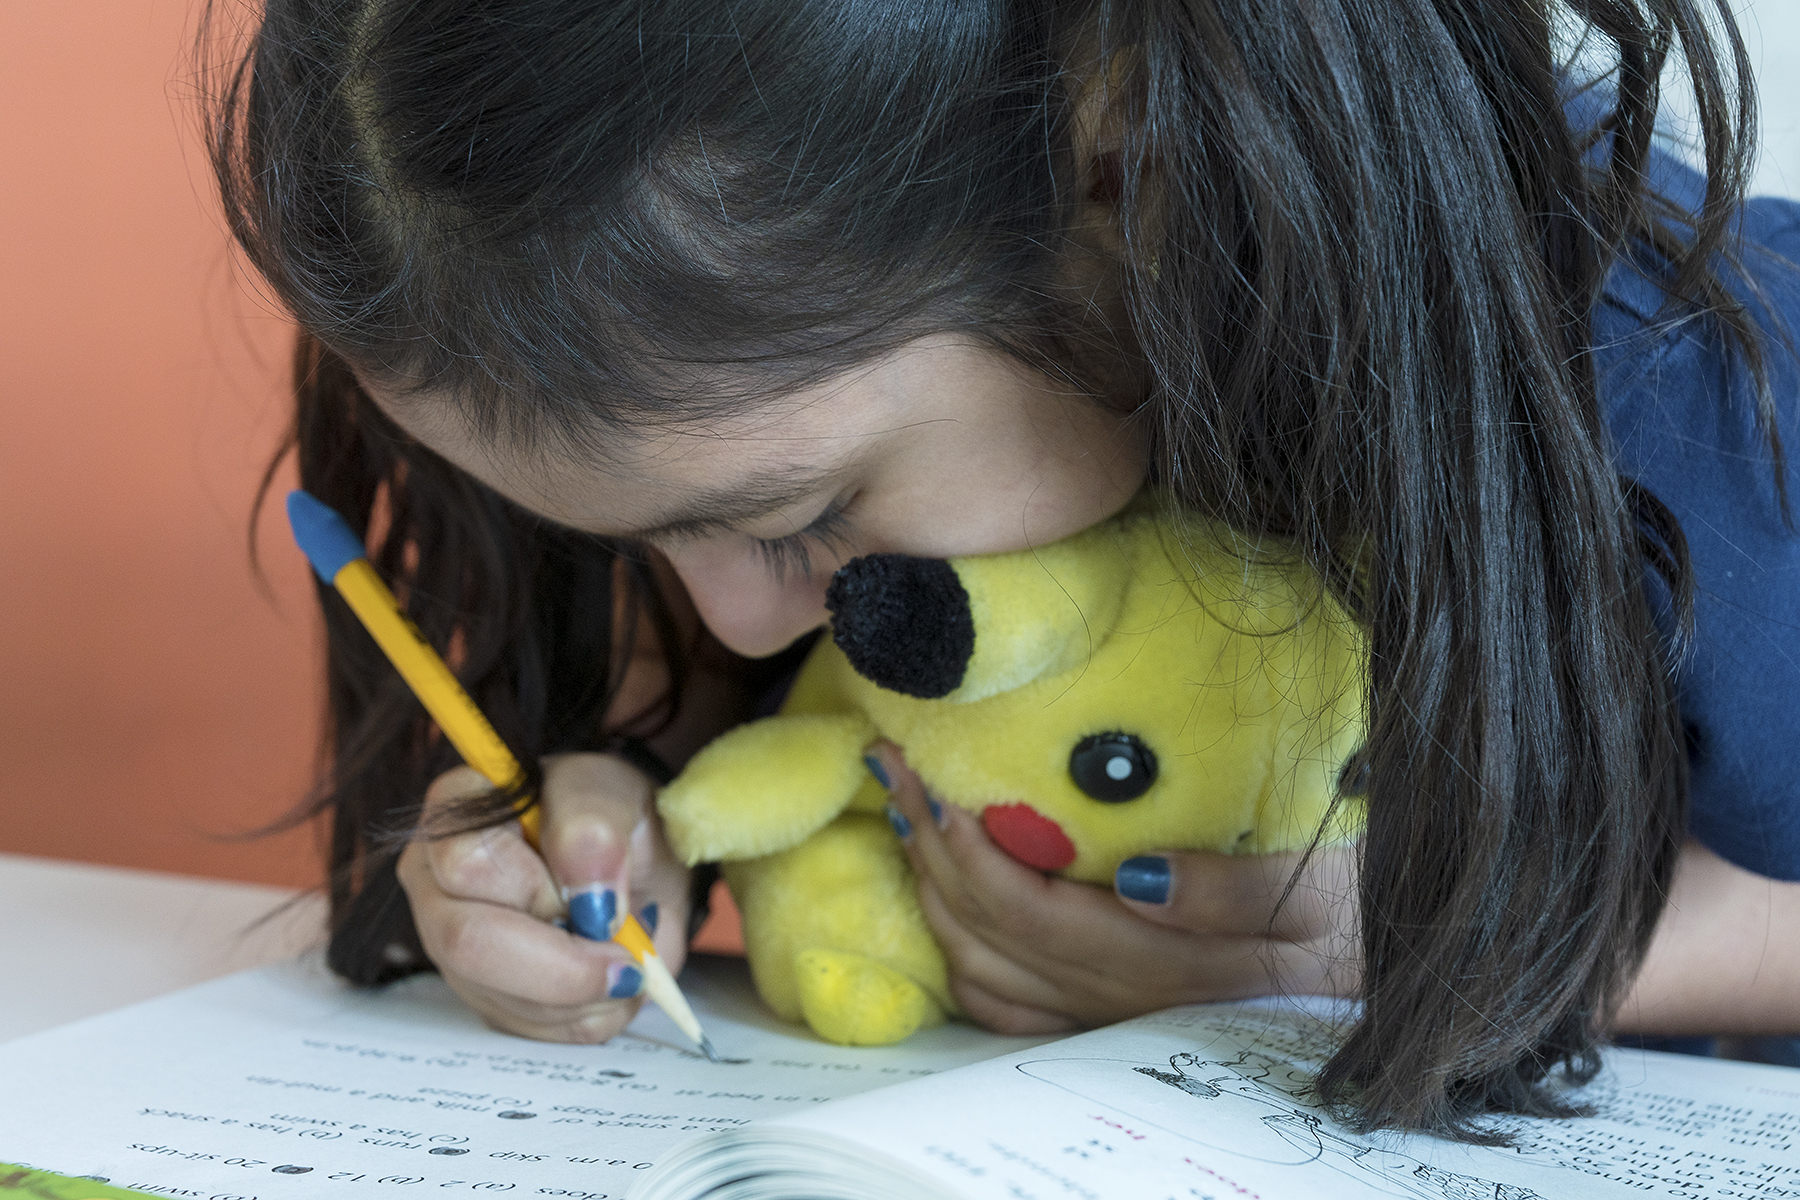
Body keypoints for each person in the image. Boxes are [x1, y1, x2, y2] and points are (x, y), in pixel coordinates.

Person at [204, 0, 1800, 1139]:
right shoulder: (764, 374)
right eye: (617, 539)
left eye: (792, 518)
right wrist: (617, 821)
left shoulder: (1677, 393)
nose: (738, 617)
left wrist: (1473, 947)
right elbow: (742, 690)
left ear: (1116, 183)